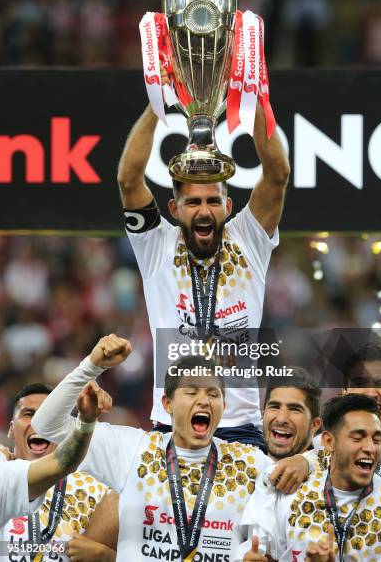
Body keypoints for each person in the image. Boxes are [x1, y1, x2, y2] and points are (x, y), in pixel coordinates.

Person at [117, 72, 290, 449]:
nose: (204, 210)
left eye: (213, 201)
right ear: (174, 208)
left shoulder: (249, 239)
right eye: (193, 202)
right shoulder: (155, 244)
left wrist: (252, 92)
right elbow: (129, 179)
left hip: (241, 427)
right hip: (170, 424)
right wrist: (157, 102)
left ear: (229, 206)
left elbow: (277, 174)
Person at [32, 334, 278, 561]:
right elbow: (46, 425)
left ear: (223, 406)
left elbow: (283, 521)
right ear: (167, 404)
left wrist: (305, 462)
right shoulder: (132, 450)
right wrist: (92, 366)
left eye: (213, 395)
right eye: (191, 392)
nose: (203, 400)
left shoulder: (251, 464)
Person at [236, 394, 381, 561]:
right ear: (329, 442)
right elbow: (256, 552)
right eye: (357, 438)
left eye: (377, 440)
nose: (370, 448)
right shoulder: (289, 494)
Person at [3, 383, 115, 562]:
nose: (38, 423)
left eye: (50, 416)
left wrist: (107, 556)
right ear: (10, 429)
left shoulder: (97, 490)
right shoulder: (3, 477)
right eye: (29, 414)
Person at [309, 341, 381, 492]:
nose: (370, 393)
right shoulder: (318, 446)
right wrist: (302, 461)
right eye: (360, 384)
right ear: (345, 391)